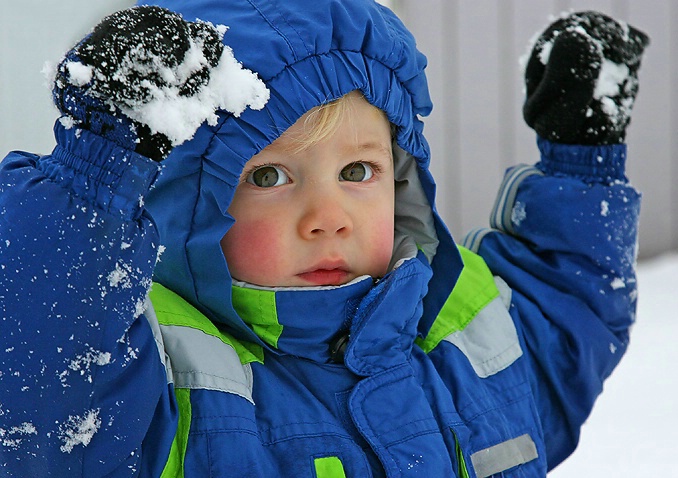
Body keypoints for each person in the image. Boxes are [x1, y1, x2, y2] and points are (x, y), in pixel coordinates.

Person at [0, 1, 648, 477]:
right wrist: (95, 175)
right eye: (271, 175)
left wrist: (581, 163)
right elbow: (44, 379)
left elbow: (568, 313)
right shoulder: (158, 379)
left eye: (357, 171)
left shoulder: (457, 330)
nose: (328, 216)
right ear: (187, 205)